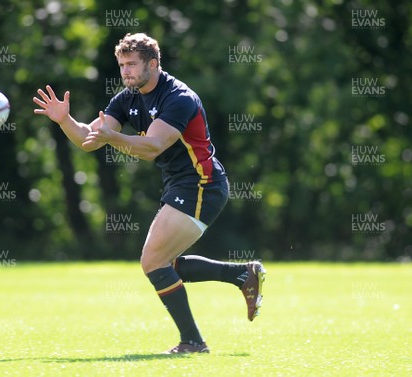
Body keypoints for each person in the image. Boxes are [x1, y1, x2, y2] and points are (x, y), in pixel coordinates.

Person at [33, 32, 266, 354]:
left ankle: (194, 342)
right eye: (121, 65)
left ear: (153, 64)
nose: (125, 71)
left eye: (132, 64)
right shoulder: (127, 97)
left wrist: (111, 136)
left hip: (202, 184)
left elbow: (153, 146)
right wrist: (65, 121)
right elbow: (89, 139)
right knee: (162, 262)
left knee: (153, 261)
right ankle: (242, 274)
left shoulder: (178, 98)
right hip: (180, 184)